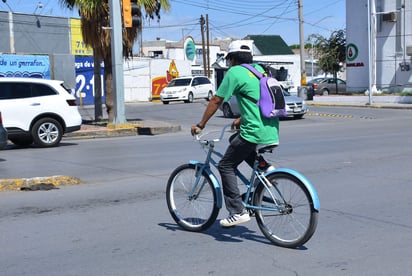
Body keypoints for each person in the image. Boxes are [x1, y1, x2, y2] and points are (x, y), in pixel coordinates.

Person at [191, 40, 280, 228]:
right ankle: (264, 168)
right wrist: (241, 119)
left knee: (225, 165)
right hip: (272, 128)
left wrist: (201, 124)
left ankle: (237, 211)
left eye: (228, 60)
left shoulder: (234, 72)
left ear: (231, 59)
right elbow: (257, 98)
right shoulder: (260, 70)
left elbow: (216, 100)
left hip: (254, 131)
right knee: (235, 139)